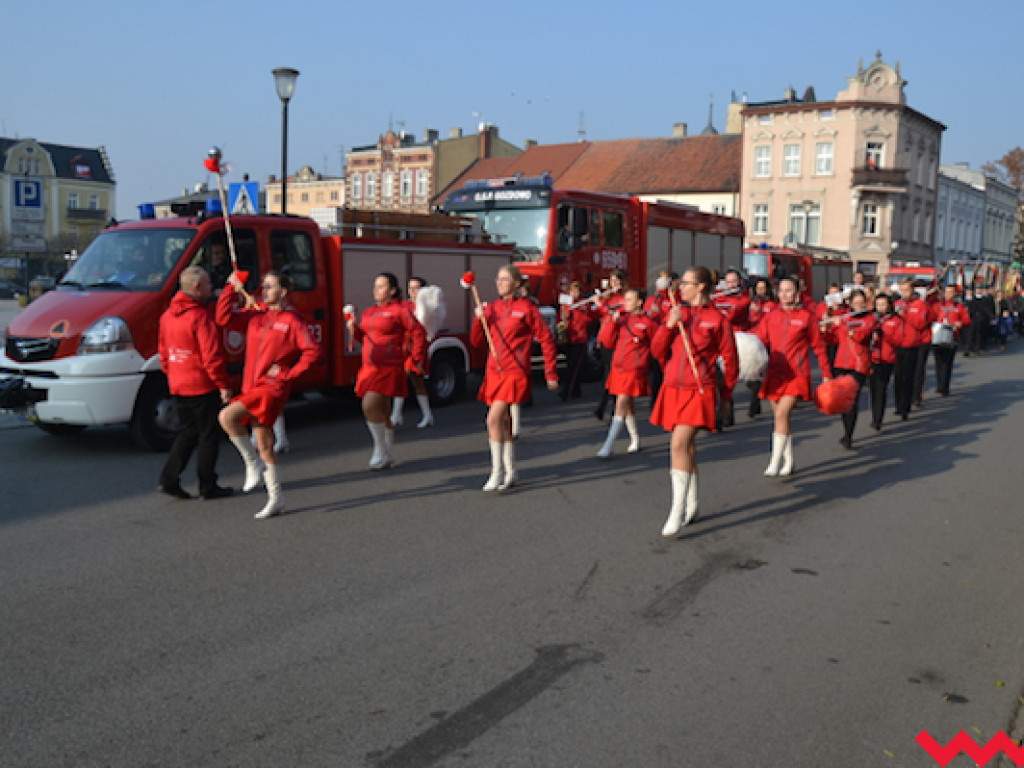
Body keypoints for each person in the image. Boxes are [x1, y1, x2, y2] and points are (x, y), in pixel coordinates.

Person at [217, 270, 321, 519]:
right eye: (263, 286)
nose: (264, 291)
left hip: (272, 388)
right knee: (264, 444)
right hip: (251, 386)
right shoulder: (257, 314)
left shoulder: (293, 320)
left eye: (270, 287)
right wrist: (231, 288)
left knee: (227, 417)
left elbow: (313, 352)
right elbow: (223, 319)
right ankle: (276, 499)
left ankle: (252, 464)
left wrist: (286, 373)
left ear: (283, 292)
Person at [652, 267, 738, 535]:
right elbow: (656, 351)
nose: (680, 289)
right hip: (672, 388)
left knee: (678, 443)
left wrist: (726, 397)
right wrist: (668, 326)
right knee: (686, 448)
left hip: (699, 390)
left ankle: (676, 511)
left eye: (686, 284)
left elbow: (731, 360)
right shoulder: (677, 313)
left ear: (701, 286)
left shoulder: (718, 319)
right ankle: (692, 502)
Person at [472, 265, 558, 491]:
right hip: (494, 372)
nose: (499, 283)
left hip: (515, 371)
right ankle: (511, 471)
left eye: (505, 279)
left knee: (492, 420)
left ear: (517, 283)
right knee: (505, 422)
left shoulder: (527, 308)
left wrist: (550, 372)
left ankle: (496, 472)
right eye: (497, 279)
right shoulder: (491, 308)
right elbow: (476, 342)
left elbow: (547, 339)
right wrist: (478, 319)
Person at [156, 266, 233, 500]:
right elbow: (212, 356)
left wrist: (172, 374)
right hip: (201, 382)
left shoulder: (168, 316)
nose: (212, 288)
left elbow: (164, 352)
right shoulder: (200, 317)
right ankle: (207, 485)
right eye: (209, 284)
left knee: (187, 433)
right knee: (208, 435)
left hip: (179, 382)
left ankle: (169, 478)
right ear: (197, 288)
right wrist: (223, 385)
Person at [753, 276, 832, 477]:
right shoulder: (770, 316)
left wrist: (826, 374)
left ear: (797, 293)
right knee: (780, 418)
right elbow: (759, 341)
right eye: (781, 290)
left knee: (781, 414)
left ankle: (774, 461)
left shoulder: (807, 317)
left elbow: (819, 347)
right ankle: (789, 461)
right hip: (774, 373)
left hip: (797, 374)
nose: (784, 294)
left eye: (788, 290)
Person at [348, 272, 427, 470]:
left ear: (392, 290)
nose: (376, 289)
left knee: (369, 405)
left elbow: (418, 332)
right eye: (375, 285)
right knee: (382, 410)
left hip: (389, 367)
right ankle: (388, 453)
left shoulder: (400, 310)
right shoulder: (369, 312)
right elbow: (365, 338)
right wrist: (353, 328)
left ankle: (379, 448)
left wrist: (416, 357)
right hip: (369, 367)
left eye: (381, 286)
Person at [596, 288, 657, 458]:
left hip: (634, 369)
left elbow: (658, 344)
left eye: (630, 300)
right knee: (627, 404)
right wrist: (612, 323)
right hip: (618, 367)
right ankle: (635, 439)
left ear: (639, 302)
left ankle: (609, 444)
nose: (625, 303)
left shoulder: (648, 322)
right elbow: (607, 342)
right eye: (625, 299)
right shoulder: (621, 319)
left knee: (621, 402)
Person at [829, 289, 877, 450]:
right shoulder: (846, 318)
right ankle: (846, 431)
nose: (859, 306)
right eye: (855, 303)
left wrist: (841, 325)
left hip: (859, 364)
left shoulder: (870, 319)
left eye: (861, 303)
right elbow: (834, 339)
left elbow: (859, 336)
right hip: (841, 363)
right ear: (850, 304)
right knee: (843, 401)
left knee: (852, 401)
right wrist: (826, 329)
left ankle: (849, 436)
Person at [391, 276, 437, 429]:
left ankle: (421, 414)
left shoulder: (427, 307)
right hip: (403, 348)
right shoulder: (404, 305)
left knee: (414, 379)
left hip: (417, 348)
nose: (412, 291)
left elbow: (425, 332)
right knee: (404, 379)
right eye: (410, 287)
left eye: (416, 288)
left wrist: (417, 354)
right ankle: (399, 414)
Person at [592, 269, 626, 420]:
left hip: (617, 342)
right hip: (605, 340)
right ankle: (610, 406)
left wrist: (600, 304)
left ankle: (605, 407)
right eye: (612, 281)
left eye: (617, 281)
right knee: (608, 375)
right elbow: (598, 315)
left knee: (611, 375)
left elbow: (617, 314)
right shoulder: (609, 298)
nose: (614, 284)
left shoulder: (624, 298)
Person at [893, 278, 929, 420]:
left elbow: (920, 324)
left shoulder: (920, 304)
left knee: (908, 376)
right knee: (898, 377)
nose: (904, 293)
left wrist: (906, 315)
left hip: (912, 344)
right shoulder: (897, 303)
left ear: (913, 290)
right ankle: (898, 404)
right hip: (897, 344)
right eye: (902, 290)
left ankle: (905, 406)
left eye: (907, 290)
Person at [868, 293, 903, 431]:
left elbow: (899, 340)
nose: (880, 307)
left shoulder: (896, 320)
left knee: (881, 389)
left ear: (889, 305)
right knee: (873, 389)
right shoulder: (871, 318)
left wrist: (884, 335)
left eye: (883, 304)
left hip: (887, 358)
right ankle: (874, 415)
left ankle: (878, 419)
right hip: (871, 358)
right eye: (878, 305)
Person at [558, 281, 597, 401]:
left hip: (580, 338)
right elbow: (561, 319)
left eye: (577, 291)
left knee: (574, 366)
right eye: (572, 291)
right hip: (569, 338)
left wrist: (577, 312)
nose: (575, 294)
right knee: (571, 365)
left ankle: (566, 391)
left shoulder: (583, 305)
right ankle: (576, 390)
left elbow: (589, 319)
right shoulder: (566, 304)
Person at [745, 278, 776, 419]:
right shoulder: (750, 304)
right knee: (749, 378)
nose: (761, 291)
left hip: (765, 342)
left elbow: (772, 322)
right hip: (751, 341)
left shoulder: (772, 305)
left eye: (764, 288)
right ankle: (755, 398)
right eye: (759, 288)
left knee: (756, 373)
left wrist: (759, 313)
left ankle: (754, 404)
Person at [931, 285, 970, 396]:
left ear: (955, 294)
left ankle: (945, 386)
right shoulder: (938, 305)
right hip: (937, 335)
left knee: (947, 363)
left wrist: (960, 323)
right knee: (938, 362)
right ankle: (939, 385)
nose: (948, 294)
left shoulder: (960, 307)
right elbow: (931, 316)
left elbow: (966, 320)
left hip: (952, 336)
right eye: (946, 292)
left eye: (950, 292)